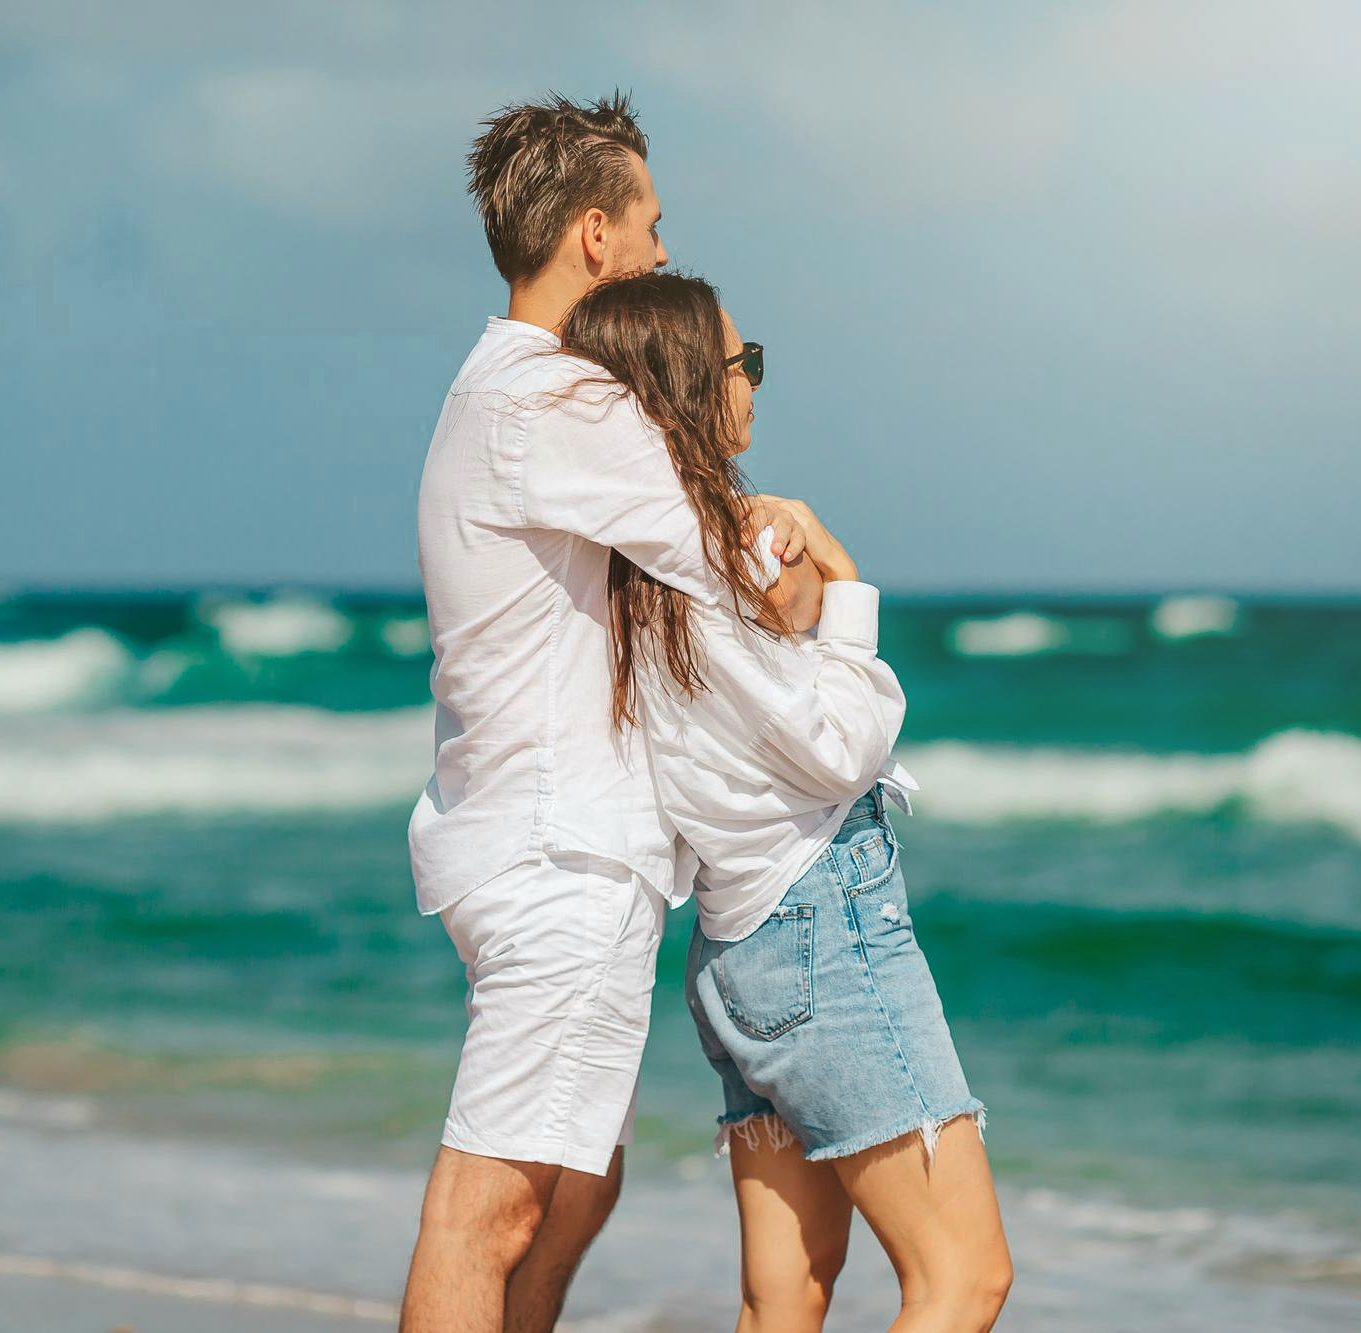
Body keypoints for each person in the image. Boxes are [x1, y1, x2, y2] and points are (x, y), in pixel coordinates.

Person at [400, 95, 818, 1333]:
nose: (658, 260)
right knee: (494, 1202)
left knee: (575, 1182)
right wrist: (803, 554)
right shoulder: (558, 405)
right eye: (648, 230)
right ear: (594, 235)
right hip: (557, 854)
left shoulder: (502, 394)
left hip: (538, 840)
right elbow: (740, 574)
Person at [558, 270, 1015, 1332]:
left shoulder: (625, 572)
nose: (754, 384)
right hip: (822, 932)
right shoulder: (704, 571)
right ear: (685, 389)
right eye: (739, 363)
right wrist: (846, 588)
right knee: (961, 1277)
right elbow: (837, 748)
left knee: (783, 1296)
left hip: (736, 949)